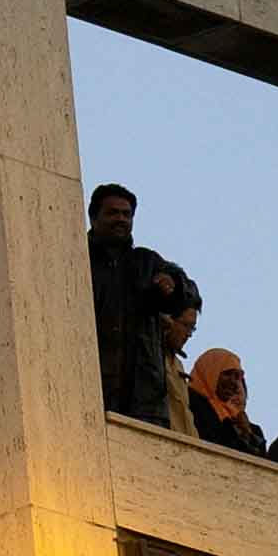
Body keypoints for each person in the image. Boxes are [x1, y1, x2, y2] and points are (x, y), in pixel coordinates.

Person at [86, 183, 200, 427]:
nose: (121, 219)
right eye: (113, 213)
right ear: (93, 217)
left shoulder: (146, 262)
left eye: (127, 214)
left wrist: (174, 284)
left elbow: (189, 293)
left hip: (143, 403)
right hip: (88, 391)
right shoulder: (76, 258)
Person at [188, 347, 267, 457]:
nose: (234, 382)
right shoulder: (190, 402)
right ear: (210, 372)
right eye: (227, 374)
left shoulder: (245, 424)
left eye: (237, 377)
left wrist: (246, 434)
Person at [162, 309, 200, 438]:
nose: (189, 334)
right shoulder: (153, 357)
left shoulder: (178, 364)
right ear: (167, 320)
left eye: (192, 328)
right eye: (185, 325)